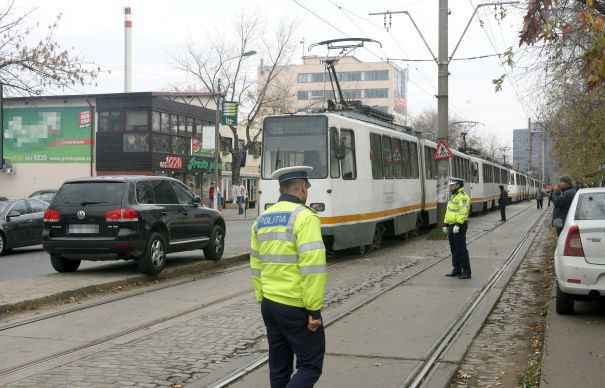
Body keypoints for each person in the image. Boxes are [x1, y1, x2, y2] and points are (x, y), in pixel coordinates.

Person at [250, 165, 327, 388]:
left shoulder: (263, 219)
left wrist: (262, 297)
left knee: (279, 368)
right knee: (310, 366)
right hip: (295, 306)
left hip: (270, 305)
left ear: (281, 189)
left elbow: (256, 264)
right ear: (302, 188)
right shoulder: (305, 217)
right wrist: (314, 310)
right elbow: (312, 267)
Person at [443, 177, 472, 279]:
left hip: (459, 225)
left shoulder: (463, 197)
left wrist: (458, 224)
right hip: (452, 225)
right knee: (454, 249)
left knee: (461, 249)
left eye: (452, 185)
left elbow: (463, 212)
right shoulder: (454, 196)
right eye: (450, 186)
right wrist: (445, 224)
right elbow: (449, 211)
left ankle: (466, 271)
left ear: (458, 185)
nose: (450, 187)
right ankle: (457, 269)